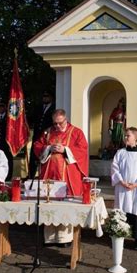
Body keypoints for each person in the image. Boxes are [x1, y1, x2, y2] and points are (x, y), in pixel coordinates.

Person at [33, 109, 89, 245]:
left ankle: (65, 238)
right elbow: (37, 145)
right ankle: (50, 237)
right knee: (50, 202)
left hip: (68, 174)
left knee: (65, 204)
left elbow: (83, 149)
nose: (57, 126)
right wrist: (48, 149)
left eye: (60, 123)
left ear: (65, 119)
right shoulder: (48, 132)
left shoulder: (76, 132)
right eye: (55, 123)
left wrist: (65, 150)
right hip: (50, 173)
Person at [111, 127, 137, 251]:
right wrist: (122, 181)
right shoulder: (120, 152)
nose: (125, 138)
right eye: (125, 135)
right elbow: (114, 168)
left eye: (128, 136)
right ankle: (118, 238)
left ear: (135, 137)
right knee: (121, 212)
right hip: (123, 188)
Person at [28, 90, 55, 179]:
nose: (45, 98)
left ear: (51, 97)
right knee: (33, 155)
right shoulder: (38, 107)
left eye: (47, 96)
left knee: (45, 155)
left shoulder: (54, 108)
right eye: (44, 96)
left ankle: (44, 175)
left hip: (48, 135)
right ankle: (31, 175)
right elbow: (32, 119)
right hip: (37, 134)